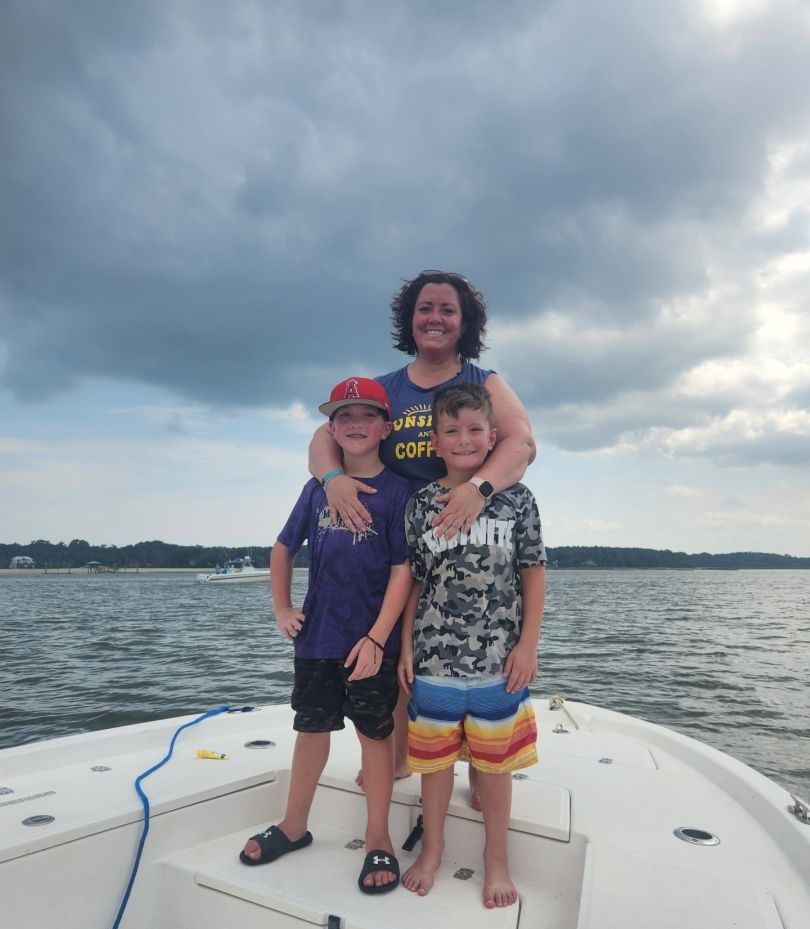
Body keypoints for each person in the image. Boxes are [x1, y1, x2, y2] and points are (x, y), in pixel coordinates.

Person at [308, 270, 537, 795]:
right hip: (397, 549)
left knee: (485, 658)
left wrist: (474, 491)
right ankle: (397, 761)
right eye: (425, 308)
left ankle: (485, 773)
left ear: (465, 322)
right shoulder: (384, 389)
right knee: (398, 659)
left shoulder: (485, 383)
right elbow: (324, 437)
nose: (435, 318)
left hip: (474, 551)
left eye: (447, 309)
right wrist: (333, 479)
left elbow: (521, 445)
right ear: (410, 320)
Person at [240, 376, 412, 895]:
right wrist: (283, 608)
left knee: (375, 735)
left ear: (386, 426)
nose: (355, 424)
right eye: (343, 417)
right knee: (310, 728)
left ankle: (377, 835)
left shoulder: (401, 492)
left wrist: (379, 637)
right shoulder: (315, 490)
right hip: (316, 635)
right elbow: (281, 548)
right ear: (331, 429)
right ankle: (295, 825)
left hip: (369, 643)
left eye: (366, 416)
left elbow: (405, 568)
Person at [398, 383, 546, 909]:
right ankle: (432, 849)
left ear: (493, 436)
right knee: (435, 767)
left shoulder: (518, 499)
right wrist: (405, 648)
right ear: (435, 441)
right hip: (434, 659)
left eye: (474, 430)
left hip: (499, 662)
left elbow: (533, 572)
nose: (463, 440)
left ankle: (496, 859)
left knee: (495, 767)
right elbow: (415, 578)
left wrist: (528, 645)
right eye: (452, 431)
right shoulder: (420, 504)